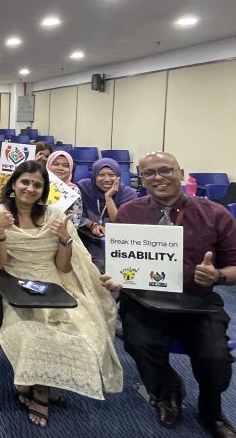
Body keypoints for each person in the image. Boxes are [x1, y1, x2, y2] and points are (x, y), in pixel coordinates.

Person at [0, 161, 122, 428]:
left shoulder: (56, 215)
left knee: (85, 330)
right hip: (15, 284)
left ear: (44, 190)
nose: (30, 188)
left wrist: (65, 239)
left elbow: (63, 267)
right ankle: (41, 392)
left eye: (37, 184)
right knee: (34, 333)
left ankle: (38, 379)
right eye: (25, 182)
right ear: (14, 185)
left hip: (55, 283)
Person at [101, 152, 236, 438]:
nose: (158, 177)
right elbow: (122, 264)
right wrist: (115, 278)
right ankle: (167, 391)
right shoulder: (129, 213)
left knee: (216, 359)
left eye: (165, 170)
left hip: (197, 302)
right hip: (145, 300)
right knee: (137, 343)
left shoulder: (215, 214)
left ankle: (211, 410)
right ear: (141, 179)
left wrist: (218, 276)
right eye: (149, 173)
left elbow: (234, 266)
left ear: (181, 173)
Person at [77, 157, 137, 270]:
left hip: (118, 244)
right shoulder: (84, 188)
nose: (107, 179)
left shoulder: (129, 194)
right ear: (94, 176)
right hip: (86, 240)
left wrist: (108, 198)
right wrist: (91, 225)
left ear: (118, 176)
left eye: (111, 175)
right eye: (101, 175)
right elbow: (75, 216)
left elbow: (119, 224)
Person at [46, 150, 84, 226]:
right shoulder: (38, 186)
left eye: (66, 165)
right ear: (48, 165)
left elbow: (74, 220)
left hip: (60, 230)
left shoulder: (73, 190)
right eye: (56, 164)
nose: (60, 168)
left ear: (71, 169)